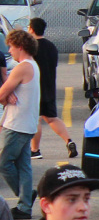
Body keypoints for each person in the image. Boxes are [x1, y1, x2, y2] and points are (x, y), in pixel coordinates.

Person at [0, 29, 39, 220]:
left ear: (20, 47)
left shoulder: (22, 67)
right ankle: (24, 206)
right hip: (27, 123)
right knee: (24, 165)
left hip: (16, 124)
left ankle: (26, 197)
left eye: (11, 47)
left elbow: (1, 94)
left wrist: (6, 96)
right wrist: (7, 95)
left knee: (4, 162)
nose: (9, 50)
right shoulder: (33, 65)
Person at [28, 18, 76, 161]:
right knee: (51, 118)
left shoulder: (31, 47)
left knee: (35, 118)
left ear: (31, 29)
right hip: (49, 87)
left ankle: (35, 150)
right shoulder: (51, 46)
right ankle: (69, 141)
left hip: (35, 88)